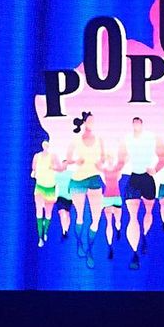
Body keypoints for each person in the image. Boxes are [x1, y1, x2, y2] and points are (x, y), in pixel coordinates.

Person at [118, 117, 164, 270]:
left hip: (147, 178)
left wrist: (156, 169)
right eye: (134, 123)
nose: (136, 125)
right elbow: (120, 159)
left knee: (148, 211)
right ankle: (134, 252)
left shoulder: (152, 137)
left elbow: (163, 156)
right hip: (134, 178)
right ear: (132, 124)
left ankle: (143, 235)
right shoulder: (126, 139)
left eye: (139, 123)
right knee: (132, 216)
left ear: (142, 124)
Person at [65, 112, 105, 264]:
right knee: (80, 216)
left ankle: (90, 250)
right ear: (84, 122)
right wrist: (76, 160)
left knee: (96, 218)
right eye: (90, 120)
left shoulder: (100, 140)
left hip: (94, 178)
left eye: (94, 121)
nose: (92, 123)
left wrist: (103, 162)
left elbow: (102, 159)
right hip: (78, 180)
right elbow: (68, 159)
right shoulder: (75, 140)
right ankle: (80, 245)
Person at [30, 140, 62, 248]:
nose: (46, 146)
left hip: (50, 188)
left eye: (47, 144)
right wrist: (34, 173)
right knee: (39, 211)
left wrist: (54, 168)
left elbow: (60, 168)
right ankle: (40, 237)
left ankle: (45, 232)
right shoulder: (37, 156)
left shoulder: (54, 156)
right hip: (40, 187)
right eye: (44, 144)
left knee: (48, 213)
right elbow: (33, 169)